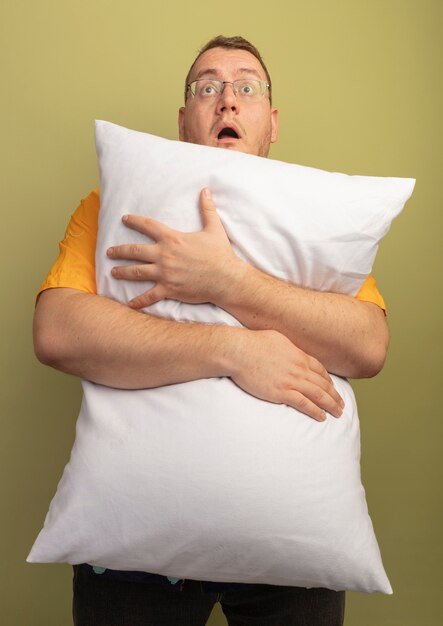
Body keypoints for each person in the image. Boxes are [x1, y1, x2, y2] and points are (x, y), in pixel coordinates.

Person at [34, 35, 389, 626]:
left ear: (271, 122)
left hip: (291, 558)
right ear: (184, 120)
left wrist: (226, 281)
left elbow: (366, 345)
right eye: (207, 87)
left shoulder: (321, 220)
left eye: (246, 87)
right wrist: (235, 350)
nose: (227, 100)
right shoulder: (110, 205)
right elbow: (58, 331)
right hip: (132, 558)